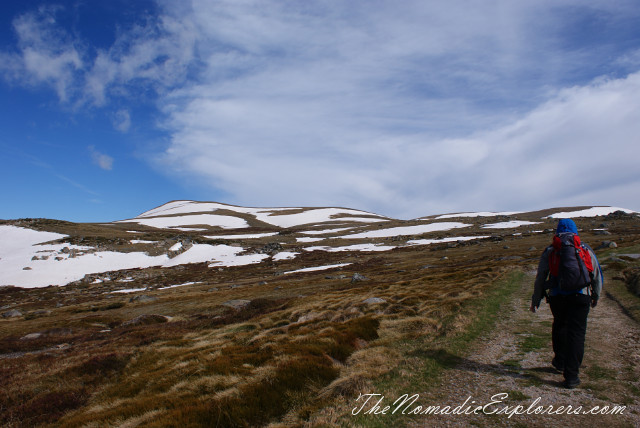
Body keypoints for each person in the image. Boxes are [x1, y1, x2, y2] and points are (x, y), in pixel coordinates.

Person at [530, 218, 602, 389]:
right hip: (581, 297)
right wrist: (595, 296)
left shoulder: (551, 250)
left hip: (558, 297)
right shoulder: (584, 249)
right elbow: (597, 275)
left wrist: (536, 300)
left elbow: (541, 277)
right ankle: (572, 376)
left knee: (560, 325)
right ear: (575, 231)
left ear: (557, 232)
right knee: (576, 333)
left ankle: (560, 361)